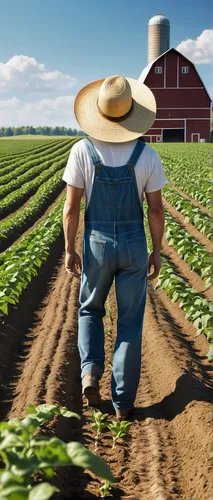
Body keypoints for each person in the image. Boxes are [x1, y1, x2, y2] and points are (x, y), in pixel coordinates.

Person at [62, 75, 167, 421]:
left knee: (90, 309)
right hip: (135, 244)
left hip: (97, 245)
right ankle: (123, 404)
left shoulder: (82, 151)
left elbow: (72, 208)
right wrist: (157, 251)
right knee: (130, 322)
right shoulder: (147, 154)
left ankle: (90, 373)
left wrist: (69, 248)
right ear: (132, 114)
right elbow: (155, 209)